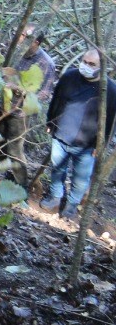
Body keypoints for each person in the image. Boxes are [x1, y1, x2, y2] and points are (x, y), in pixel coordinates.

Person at [40, 47, 116, 216]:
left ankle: (72, 204)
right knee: (57, 169)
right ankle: (55, 197)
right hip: (61, 134)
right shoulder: (69, 77)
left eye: (92, 64)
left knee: (81, 178)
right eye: (84, 62)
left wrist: (101, 145)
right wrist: (50, 122)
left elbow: (111, 121)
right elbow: (56, 99)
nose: (86, 66)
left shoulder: (110, 90)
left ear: (102, 67)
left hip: (87, 143)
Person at [0, 26, 58, 184]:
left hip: (20, 113)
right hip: (2, 105)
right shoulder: (16, 52)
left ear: (36, 42)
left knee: (14, 149)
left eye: (24, 36)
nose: (19, 38)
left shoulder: (45, 63)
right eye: (20, 34)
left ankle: (21, 184)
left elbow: (44, 94)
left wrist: (19, 90)